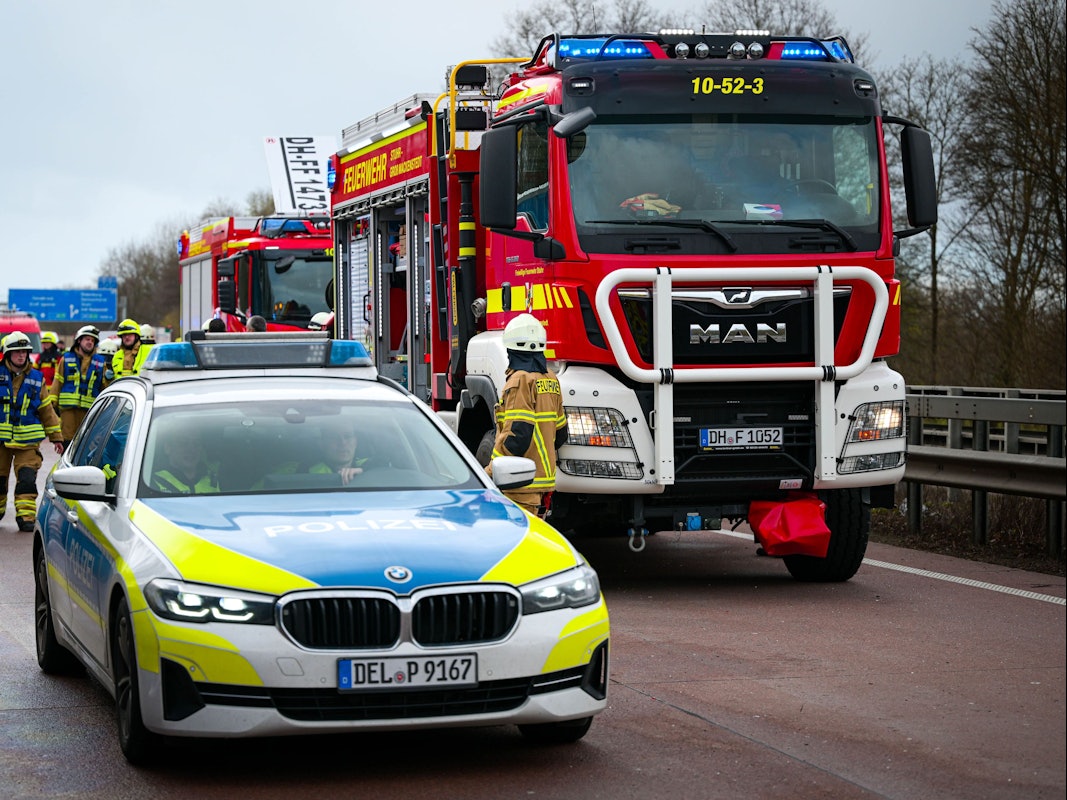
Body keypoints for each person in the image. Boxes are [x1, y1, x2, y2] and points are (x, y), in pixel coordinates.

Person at [491, 314, 568, 516]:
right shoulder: (551, 378)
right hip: (543, 483)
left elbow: (518, 435)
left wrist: (491, 471)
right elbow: (561, 434)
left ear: (511, 349)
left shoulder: (519, 380)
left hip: (520, 484)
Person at [1, 331, 64, 531]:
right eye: (16, 352)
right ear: (7, 354)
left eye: (24, 352)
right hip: (0, 441)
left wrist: (57, 437)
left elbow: (46, 409)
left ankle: (26, 517)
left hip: (27, 442)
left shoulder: (37, 378)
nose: (21, 355)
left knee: (27, 479)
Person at [50, 325, 109, 447]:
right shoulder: (66, 359)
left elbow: (104, 388)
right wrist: (52, 406)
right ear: (79, 340)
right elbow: (57, 382)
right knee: (67, 442)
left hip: (89, 411)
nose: (90, 342)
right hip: (68, 411)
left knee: (85, 444)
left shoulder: (100, 362)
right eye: (87, 339)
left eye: (92, 340)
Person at [150, 430, 219, 494]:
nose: (191, 449)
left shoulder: (213, 479)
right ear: (167, 448)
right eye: (183, 443)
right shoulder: (153, 481)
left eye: (196, 443)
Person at [307, 419, 368, 485]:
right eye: (334, 437)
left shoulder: (371, 467)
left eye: (347, 436)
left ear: (356, 442)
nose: (342, 443)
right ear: (321, 444)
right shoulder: (305, 473)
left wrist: (364, 471)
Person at [106, 318, 150, 384]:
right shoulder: (117, 355)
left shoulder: (147, 351)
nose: (127, 337)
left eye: (130, 334)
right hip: (121, 391)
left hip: (141, 391)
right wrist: (108, 379)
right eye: (124, 335)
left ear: (136, 336)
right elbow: (114, 380)